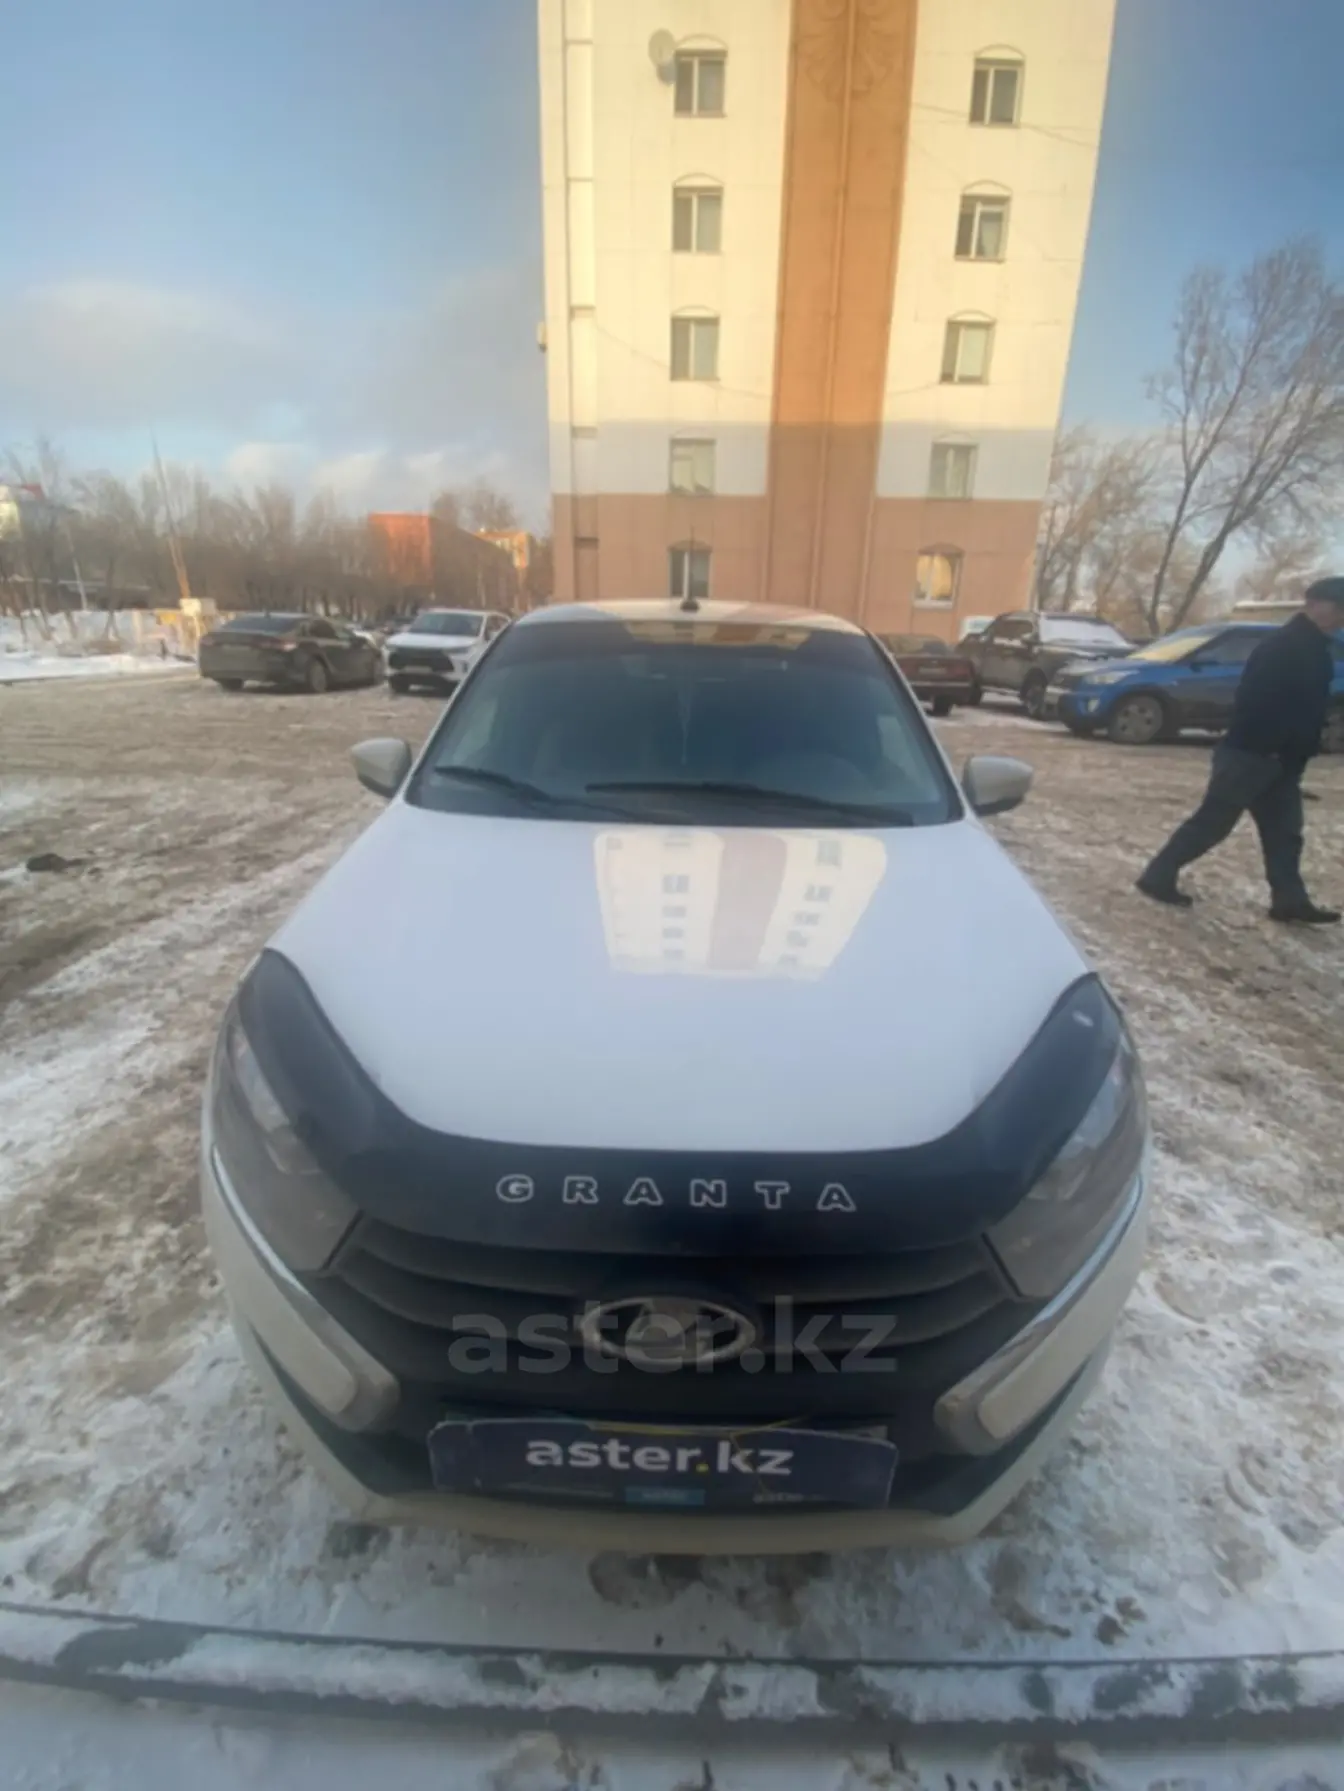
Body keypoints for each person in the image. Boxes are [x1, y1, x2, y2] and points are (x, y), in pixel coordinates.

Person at [1136, 578, 1344, 923]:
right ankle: (1158, 875)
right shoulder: (1283, 647)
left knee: (1285, 834)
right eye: (1339, 609)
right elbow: (1254, 701)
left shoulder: (1316, 649)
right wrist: (1272, 747)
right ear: (1317, 605)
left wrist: (1294, 754)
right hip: (1251, 755)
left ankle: (1289, 901)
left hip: (1282, 762)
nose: (1341, 618)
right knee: (1212, 823)